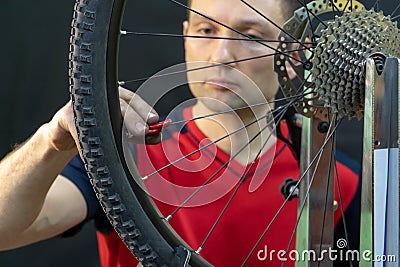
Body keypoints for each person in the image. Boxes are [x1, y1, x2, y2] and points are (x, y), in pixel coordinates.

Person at [0, 0, 360, 266]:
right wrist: (50, 142)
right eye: (206, 31)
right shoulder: (128, 154)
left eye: (251, 36)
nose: (221, 55)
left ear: (295, 56)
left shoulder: (339, 182)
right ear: (186, 38)